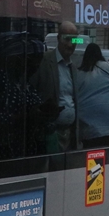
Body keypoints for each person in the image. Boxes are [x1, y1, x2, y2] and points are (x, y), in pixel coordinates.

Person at [28, 21, 78, 151]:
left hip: (69, 135)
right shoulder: (44, 61)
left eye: (74, 39)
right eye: (67, 39)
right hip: (48, 134)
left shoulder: (73, 68)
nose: (71, 44)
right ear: (58, 39)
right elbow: (30, 91)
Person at [73, 42, 109, 148]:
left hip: (87, 123)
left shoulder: (78, 73)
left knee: (91, 155)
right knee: (108, 153)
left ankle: (96, 165)